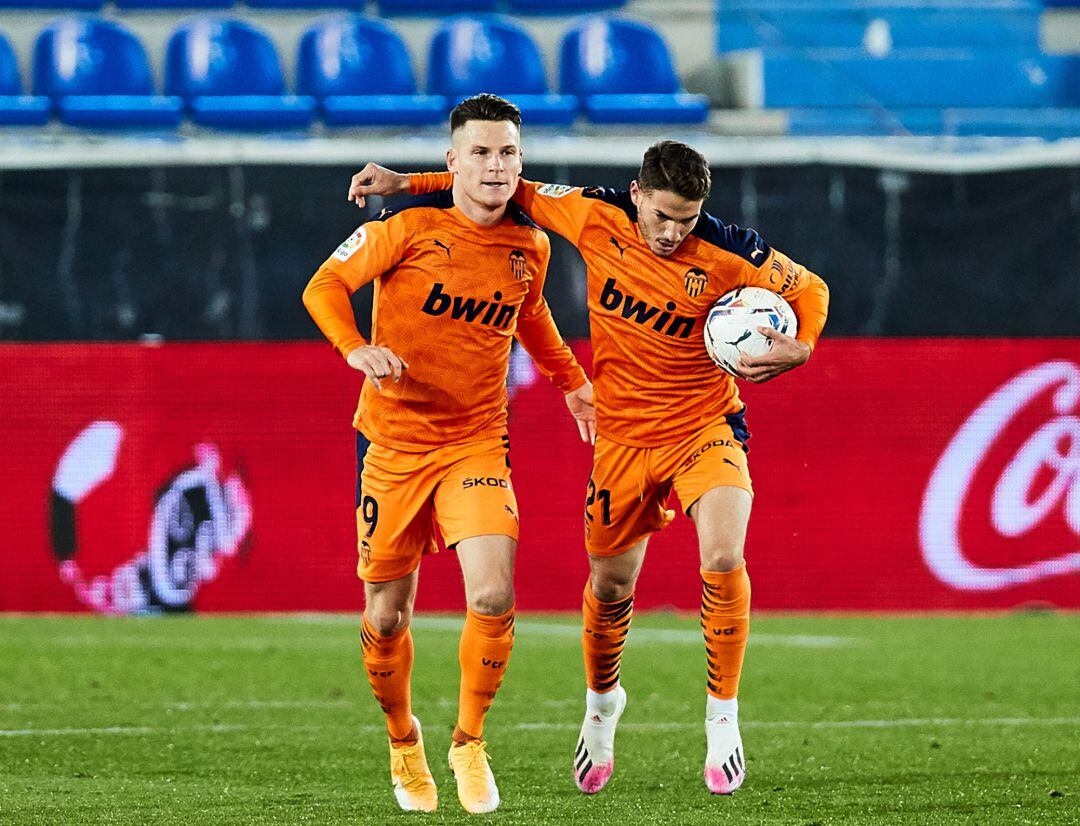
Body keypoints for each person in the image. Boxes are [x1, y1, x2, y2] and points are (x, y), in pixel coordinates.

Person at [347, 141, 829, 796]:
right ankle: (602, 709)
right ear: (636, 194)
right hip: (622, 438)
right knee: (609, 588)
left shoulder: (730, 251)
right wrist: (409, 183)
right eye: (661, 215)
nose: (672, 232)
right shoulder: (592, 215)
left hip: (703, 426)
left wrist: (802, 348)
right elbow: (509, 187)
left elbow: (810, 289)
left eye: (685, 219)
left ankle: (723, 718)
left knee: (722, 557)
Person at [303, 93, 595, 815]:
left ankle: (468, 741)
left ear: (520, 162)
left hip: (475, 441)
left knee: (494, 593)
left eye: (507, 153)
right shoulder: (405, 227)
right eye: (481, 152)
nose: (495, 166)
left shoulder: (533, 243)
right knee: (388, 618)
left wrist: (574, 384)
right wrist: (357, 347)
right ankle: (405, 740)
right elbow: (324, 285)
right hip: (394, 443)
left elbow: (533, 319)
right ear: (452, 161)